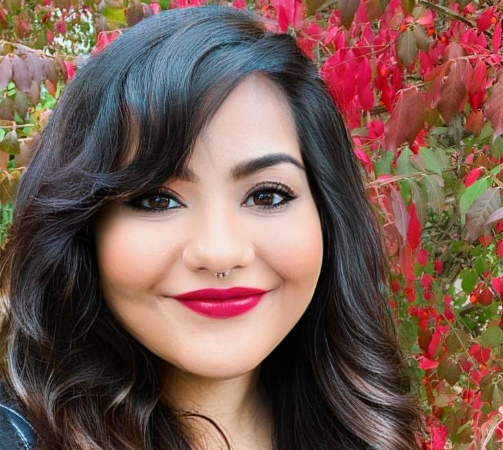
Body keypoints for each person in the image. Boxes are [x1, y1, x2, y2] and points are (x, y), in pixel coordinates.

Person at [0, 5, 423, 449]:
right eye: (157, 200)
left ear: (327, 214)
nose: (220, 253)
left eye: (267, 196)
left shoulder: (364, 428)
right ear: (83, 226)